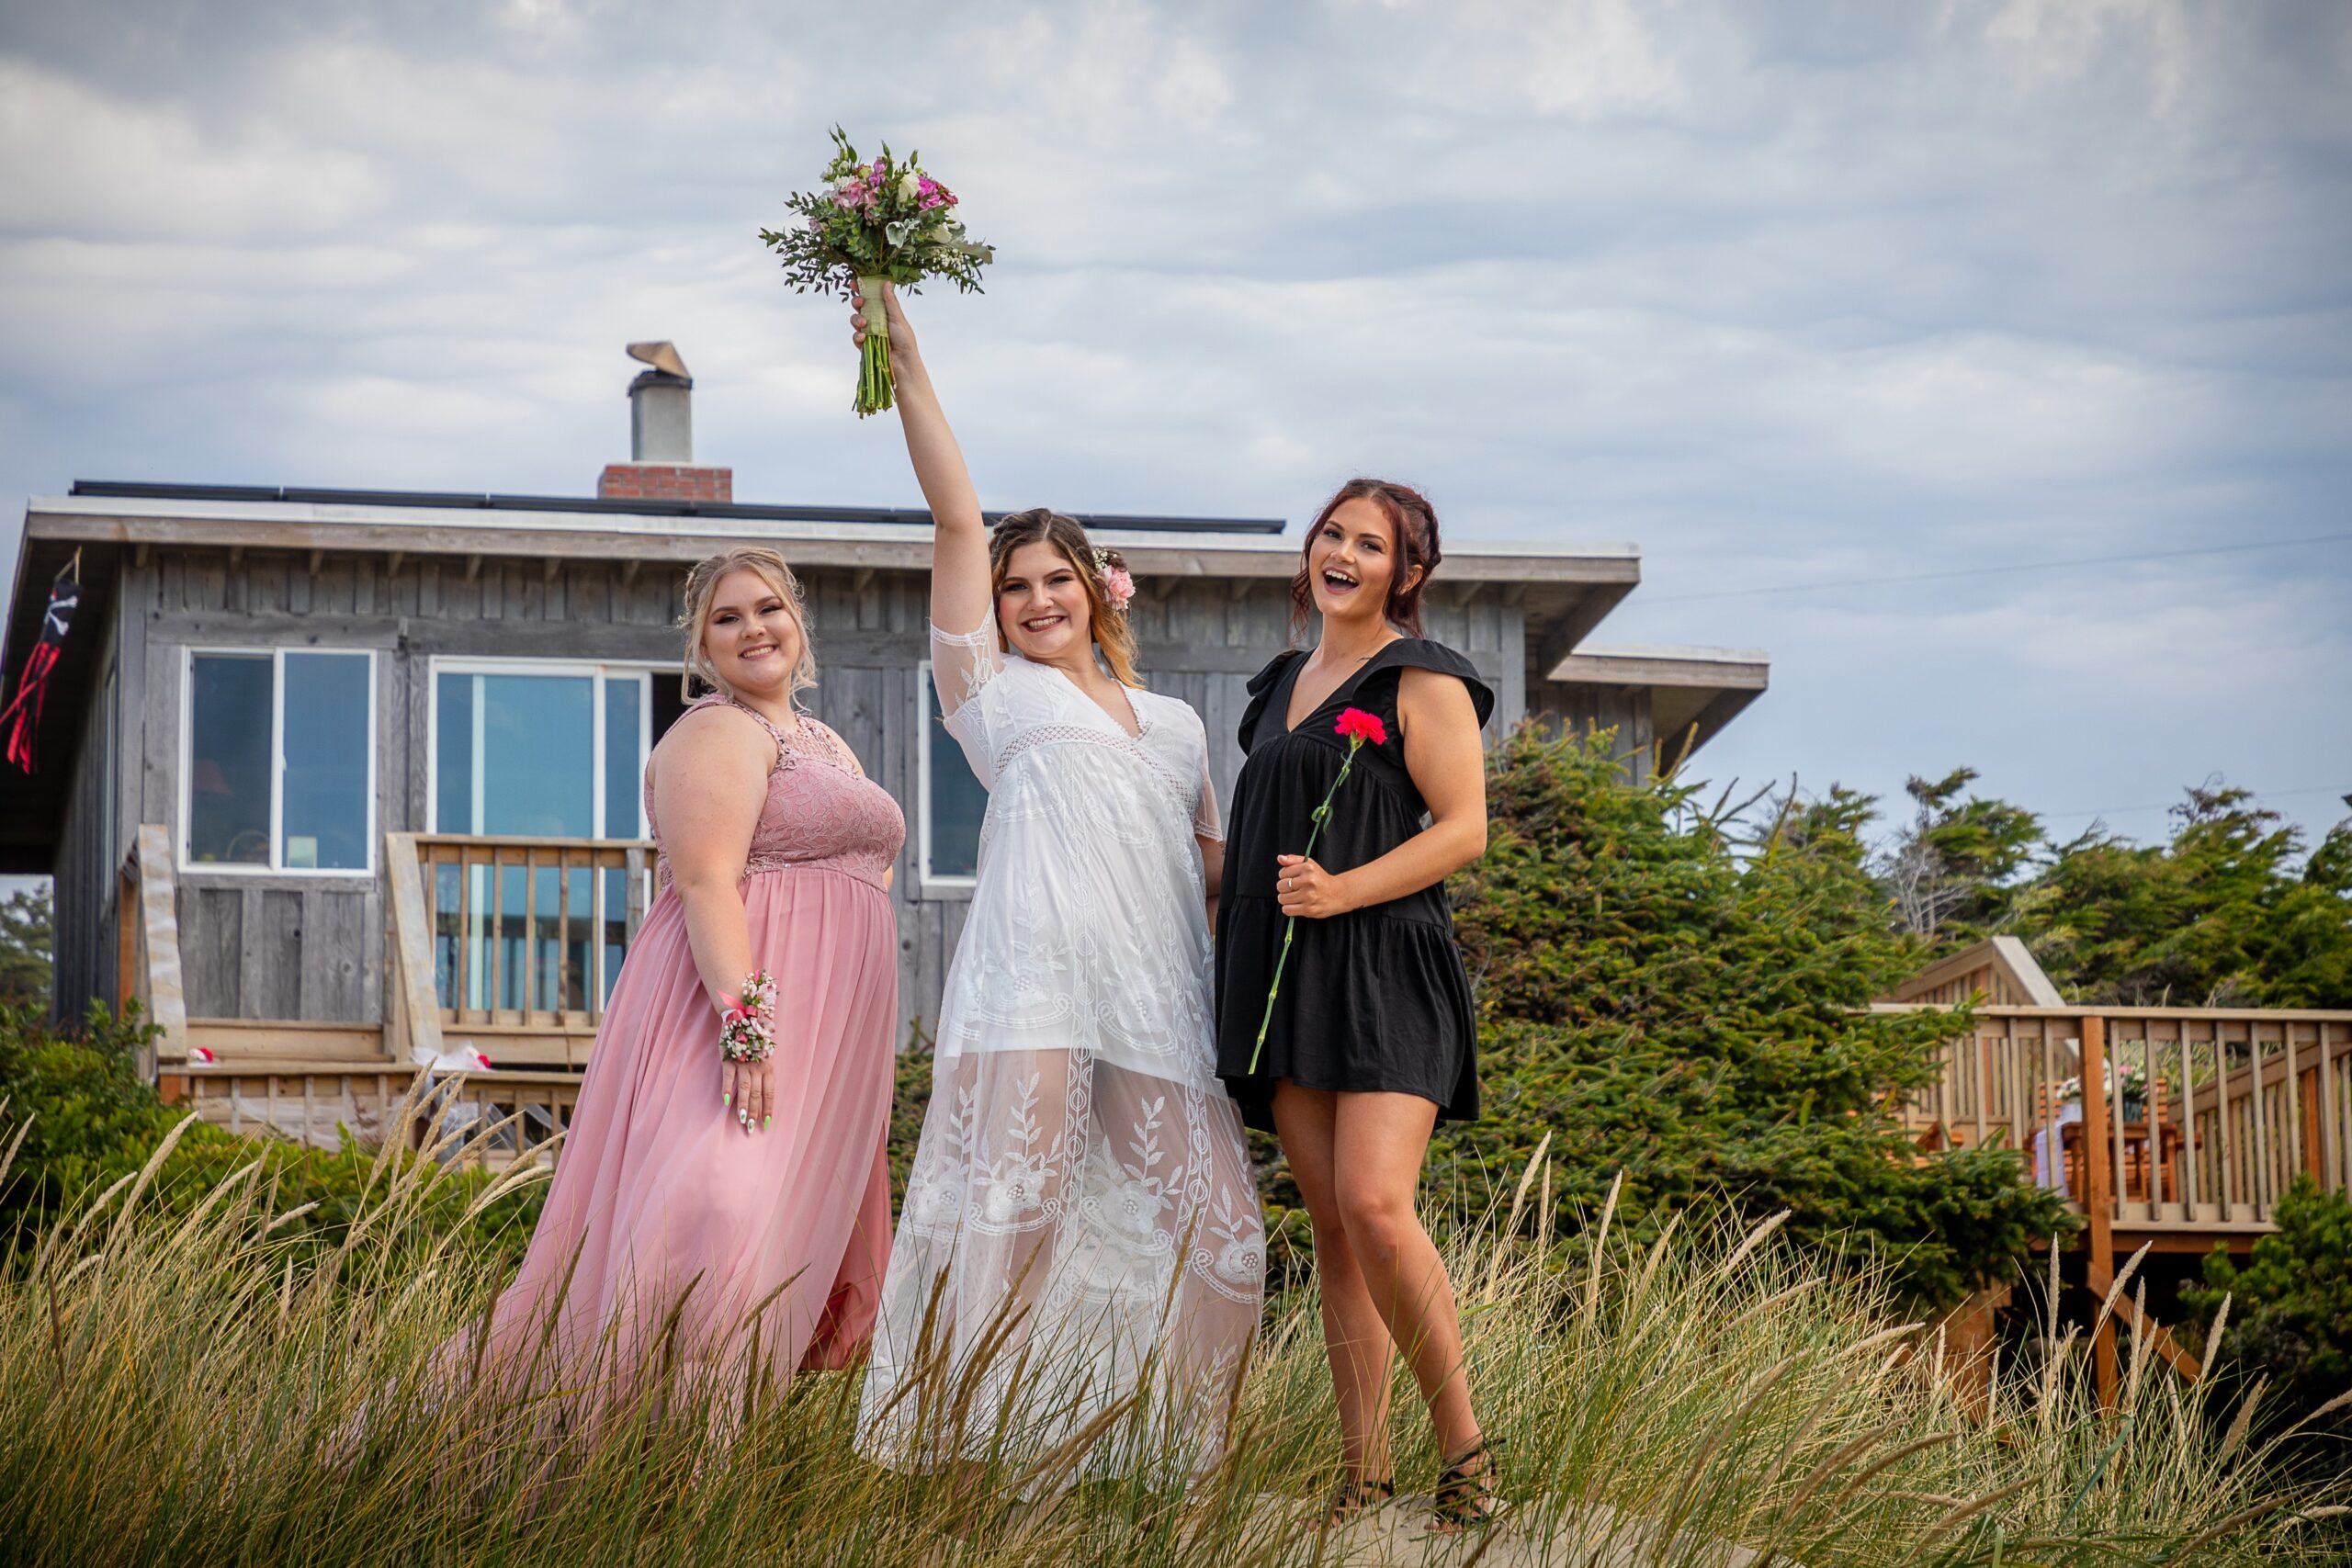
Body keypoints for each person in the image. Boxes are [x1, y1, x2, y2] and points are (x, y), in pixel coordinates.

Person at [848, 283, 1265, 1483]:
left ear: (1096, 589)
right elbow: (953, 520)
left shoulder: (1180, 726)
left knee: (1229, 1241)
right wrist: (907, 355)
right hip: (1030, 992)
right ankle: (955, 1468)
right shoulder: (993, 701)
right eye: (1017, 583)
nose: (1033, 599)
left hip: (1156, 1013)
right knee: (1011, 1222)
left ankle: (1184, 1470)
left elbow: (1217, 883)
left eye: (1054, 580)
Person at [420, 547, 906, 1422]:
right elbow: (707, 881)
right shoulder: (715, 732)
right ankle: (611, 1431)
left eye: (769, 608)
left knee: (765, 1230)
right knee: (712, 1205)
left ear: (798, 619)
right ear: (702, 645)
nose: (754, 628)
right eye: (728, 618)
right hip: (729, 1013)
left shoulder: (822, 740)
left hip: (826, 1030)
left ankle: (704, 1446)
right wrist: (745, 1024)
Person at [1212, 480, 1500, 1529]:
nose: (1340, 554)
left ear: (1406, 574)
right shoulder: (1281, 683)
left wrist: (1340, 891)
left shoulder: (1420, 678)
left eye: (1367, 545)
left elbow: (1463, 829)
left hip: (1383, 964)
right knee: (1332, 1229)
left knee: (1378, 1206)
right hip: (1284, 979)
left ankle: (1465, 1452)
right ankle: (1364, 1469)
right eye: (1331, 534)